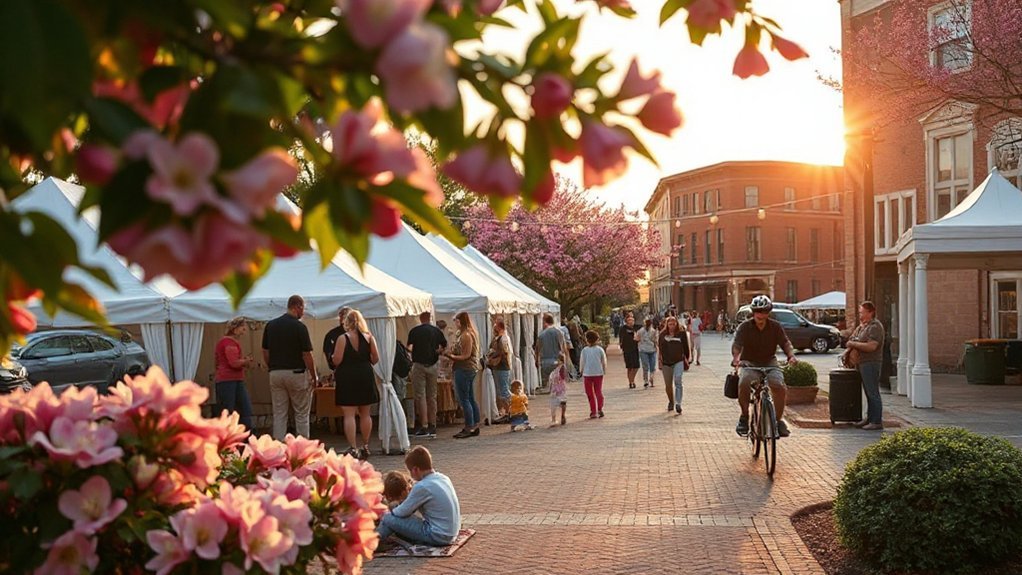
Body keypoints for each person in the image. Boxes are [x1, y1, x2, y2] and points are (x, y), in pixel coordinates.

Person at [731, 295, 798, 438]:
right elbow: (737, 344)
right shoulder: (744, 327)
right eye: (757, 311)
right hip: (749, 362)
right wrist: (736, 358)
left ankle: (778, 421)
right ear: (753, 312)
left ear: (768, 313)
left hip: (769, 361)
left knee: (779, 385)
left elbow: (785, 343)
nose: (761, 315)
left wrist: (791, 356)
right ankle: (744, 416)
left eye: (764, 311)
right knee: (744, 382)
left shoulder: (775, 327)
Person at [376, 446, 461, 547]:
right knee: (395, 517)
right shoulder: (443, 478)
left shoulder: (422, 486)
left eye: (410, 471)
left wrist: (393, 507)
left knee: (387, 517)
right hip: (451, 533)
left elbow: (401, 512)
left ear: (415, 469)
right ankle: (383, 537)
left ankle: (375, 542)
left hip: (438, 535)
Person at [262, 295, 318, 440]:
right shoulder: (300, 327)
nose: (303, 313)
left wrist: (272, 366)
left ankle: (278, 447)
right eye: (303, 309)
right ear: (298, 306)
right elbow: (306, 354)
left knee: (279, 413)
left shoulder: (271, 325)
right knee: (301, 413)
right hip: (296, 372)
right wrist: (314, 375)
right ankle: (302, 447)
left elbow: (265, 351)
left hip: (276, 373)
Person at [332, 309, 380, 460]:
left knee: (349, 414)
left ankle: (353, 447)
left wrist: (333, 357)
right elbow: (375, 358)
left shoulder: (343, 338)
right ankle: (365, 445)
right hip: (365, 374)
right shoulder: (369, 337)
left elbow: (337, 360)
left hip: (347, 376)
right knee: (365, 413)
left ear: (347, 322)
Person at [407, 311, 447, 438]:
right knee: (432, 396)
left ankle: (424, 425)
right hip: (433, 365)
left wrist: (415, 351)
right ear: (430, 318)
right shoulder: (436, 331)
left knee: (420, 396)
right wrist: (437, 351)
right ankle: (432, 425)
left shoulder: (414, 331)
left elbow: (409, 347)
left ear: (420, 318)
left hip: (419, 365)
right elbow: (444, 346)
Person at [846, 301, 885, 430]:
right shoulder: (863, 326)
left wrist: (854, 344)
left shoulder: (875, 327)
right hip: (862, 362)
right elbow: (852, 338)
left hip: (871, 363)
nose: (860, 315)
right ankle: (869, 418)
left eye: (862, 313)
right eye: (860, 313)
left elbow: (872, 346)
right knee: (868, 392)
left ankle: (876, 421)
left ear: (870, 312)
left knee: (873, 392)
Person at [445, 312, 481, 439]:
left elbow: (466, 355)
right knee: (470, 397)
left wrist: (451, 356)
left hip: (465, 368)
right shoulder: (466, 334)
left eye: (456, 321)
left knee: (464, 398)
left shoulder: (466, 335)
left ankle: (469, 426)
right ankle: (475, 424)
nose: (455, 323)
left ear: (461, 321)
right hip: (468, 368)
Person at [215, 317, 255, 430]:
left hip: (229, 379)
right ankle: (241, 433)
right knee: (238, 409)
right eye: (242, 328)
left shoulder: (225, 342)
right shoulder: (229, 343)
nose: (244, 331)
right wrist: (246, 361)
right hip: (229, 380)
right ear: (235, 328)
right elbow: (233, 363)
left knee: (234, 409)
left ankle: (239, 433)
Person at [658, 316, 691, 414]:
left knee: (678, 380)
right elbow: (660, 348)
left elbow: (686, 347)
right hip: (666, 362)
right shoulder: (662, 334)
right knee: (668, 385)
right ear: (667, 325)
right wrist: (659, 360)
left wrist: (686, 358)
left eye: (674, 324)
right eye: (670, 324)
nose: (672, 326)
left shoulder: (681, 334)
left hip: (678, 361)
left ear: (677, 324)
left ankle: (678, 403)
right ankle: (671, 401)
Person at [486, 318, 513, 423]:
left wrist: (492, 355)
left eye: (495, 324)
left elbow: (503, 352)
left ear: (498, 326)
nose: (494, 326)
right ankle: (508, 412)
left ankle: (512, 411)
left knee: (504, 391)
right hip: (499, 367)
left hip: (502, 366)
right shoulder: (499, 337)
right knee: (502, 390)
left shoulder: (503, 338)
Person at [535, 313, 568, 392]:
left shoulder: (541, 334)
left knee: (546, 384)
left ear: (545, 321)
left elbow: (537, 348)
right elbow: (563, 348)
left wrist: (536, 360)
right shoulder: (559, 332)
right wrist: (564, 360)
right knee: (558, 384)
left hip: (544, 361)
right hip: (557, 361)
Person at [579, 330, 607, 419]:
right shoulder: (600, 349)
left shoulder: (584, 350)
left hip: (587, 374)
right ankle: (600, 408)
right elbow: (604, 361)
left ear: (587, 340)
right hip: (598, 373)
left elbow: (582, 362)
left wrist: (581, 370)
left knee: (589, 393)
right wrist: (604, 370)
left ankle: (593, 411)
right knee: (598, 391)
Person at [323, 306, 352, 371]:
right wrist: (333, 366)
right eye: (342, 316)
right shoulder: (332, 334)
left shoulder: (358, 333)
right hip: (341, 369)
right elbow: (327, 351)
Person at [619, 312, 640, 389]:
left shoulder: (636, 328)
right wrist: (621, 347)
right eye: (629, 320)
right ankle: (631, 382)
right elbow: (621, 339)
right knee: (630, 367)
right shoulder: (623, 329)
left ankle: (632, 379)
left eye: (632, 320)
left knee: (636, 366)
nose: (631, 322)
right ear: (626, 321)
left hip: (635, 349)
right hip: (627, 349)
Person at [635, 318, 658, 388]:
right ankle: (649, 379)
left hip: (648, 350)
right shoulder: (643, 331)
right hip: (646, 350)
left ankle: (648, 379)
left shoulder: (651, 331)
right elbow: (655, 340)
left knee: (648, 366)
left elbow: (637, 339)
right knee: (649, 366)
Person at [547, 352, 568, 427]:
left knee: (557, 403)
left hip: (558, 388)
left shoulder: (562, 367)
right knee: (560, 402)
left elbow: (563, 377)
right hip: (558, 388)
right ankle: (556, 418)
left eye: (558, 360)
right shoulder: (557, 368)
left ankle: (559, 417)